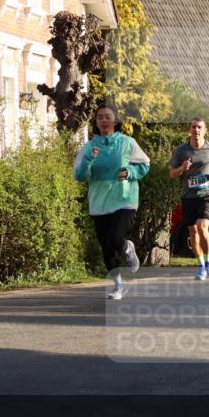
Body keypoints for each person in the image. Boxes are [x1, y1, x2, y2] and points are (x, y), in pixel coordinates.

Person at [74, 104, 150, 299]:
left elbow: (144, 164)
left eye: (108, 116)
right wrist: (88, 159)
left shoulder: (127, 142)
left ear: (115, 121)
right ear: (96, 121)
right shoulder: (89, 147)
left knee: (115, 239)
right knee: (106, 246)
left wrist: (130, 172)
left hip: (124, 198)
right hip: (99, 202)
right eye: (100, 117)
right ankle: (118, 286)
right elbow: (79, 176)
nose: (103, 120)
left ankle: (127, 247)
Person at [169, 118, 209, 280]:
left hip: (206, 195)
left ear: (205, 130)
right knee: (193, 231)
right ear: (190, 129)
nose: (196, 130)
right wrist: (182, 168)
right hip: (188, 196)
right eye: (193, 127)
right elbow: (172, 174)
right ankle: (201, 265)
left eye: (199, 127)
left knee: (202, 227)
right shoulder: (181, 150)